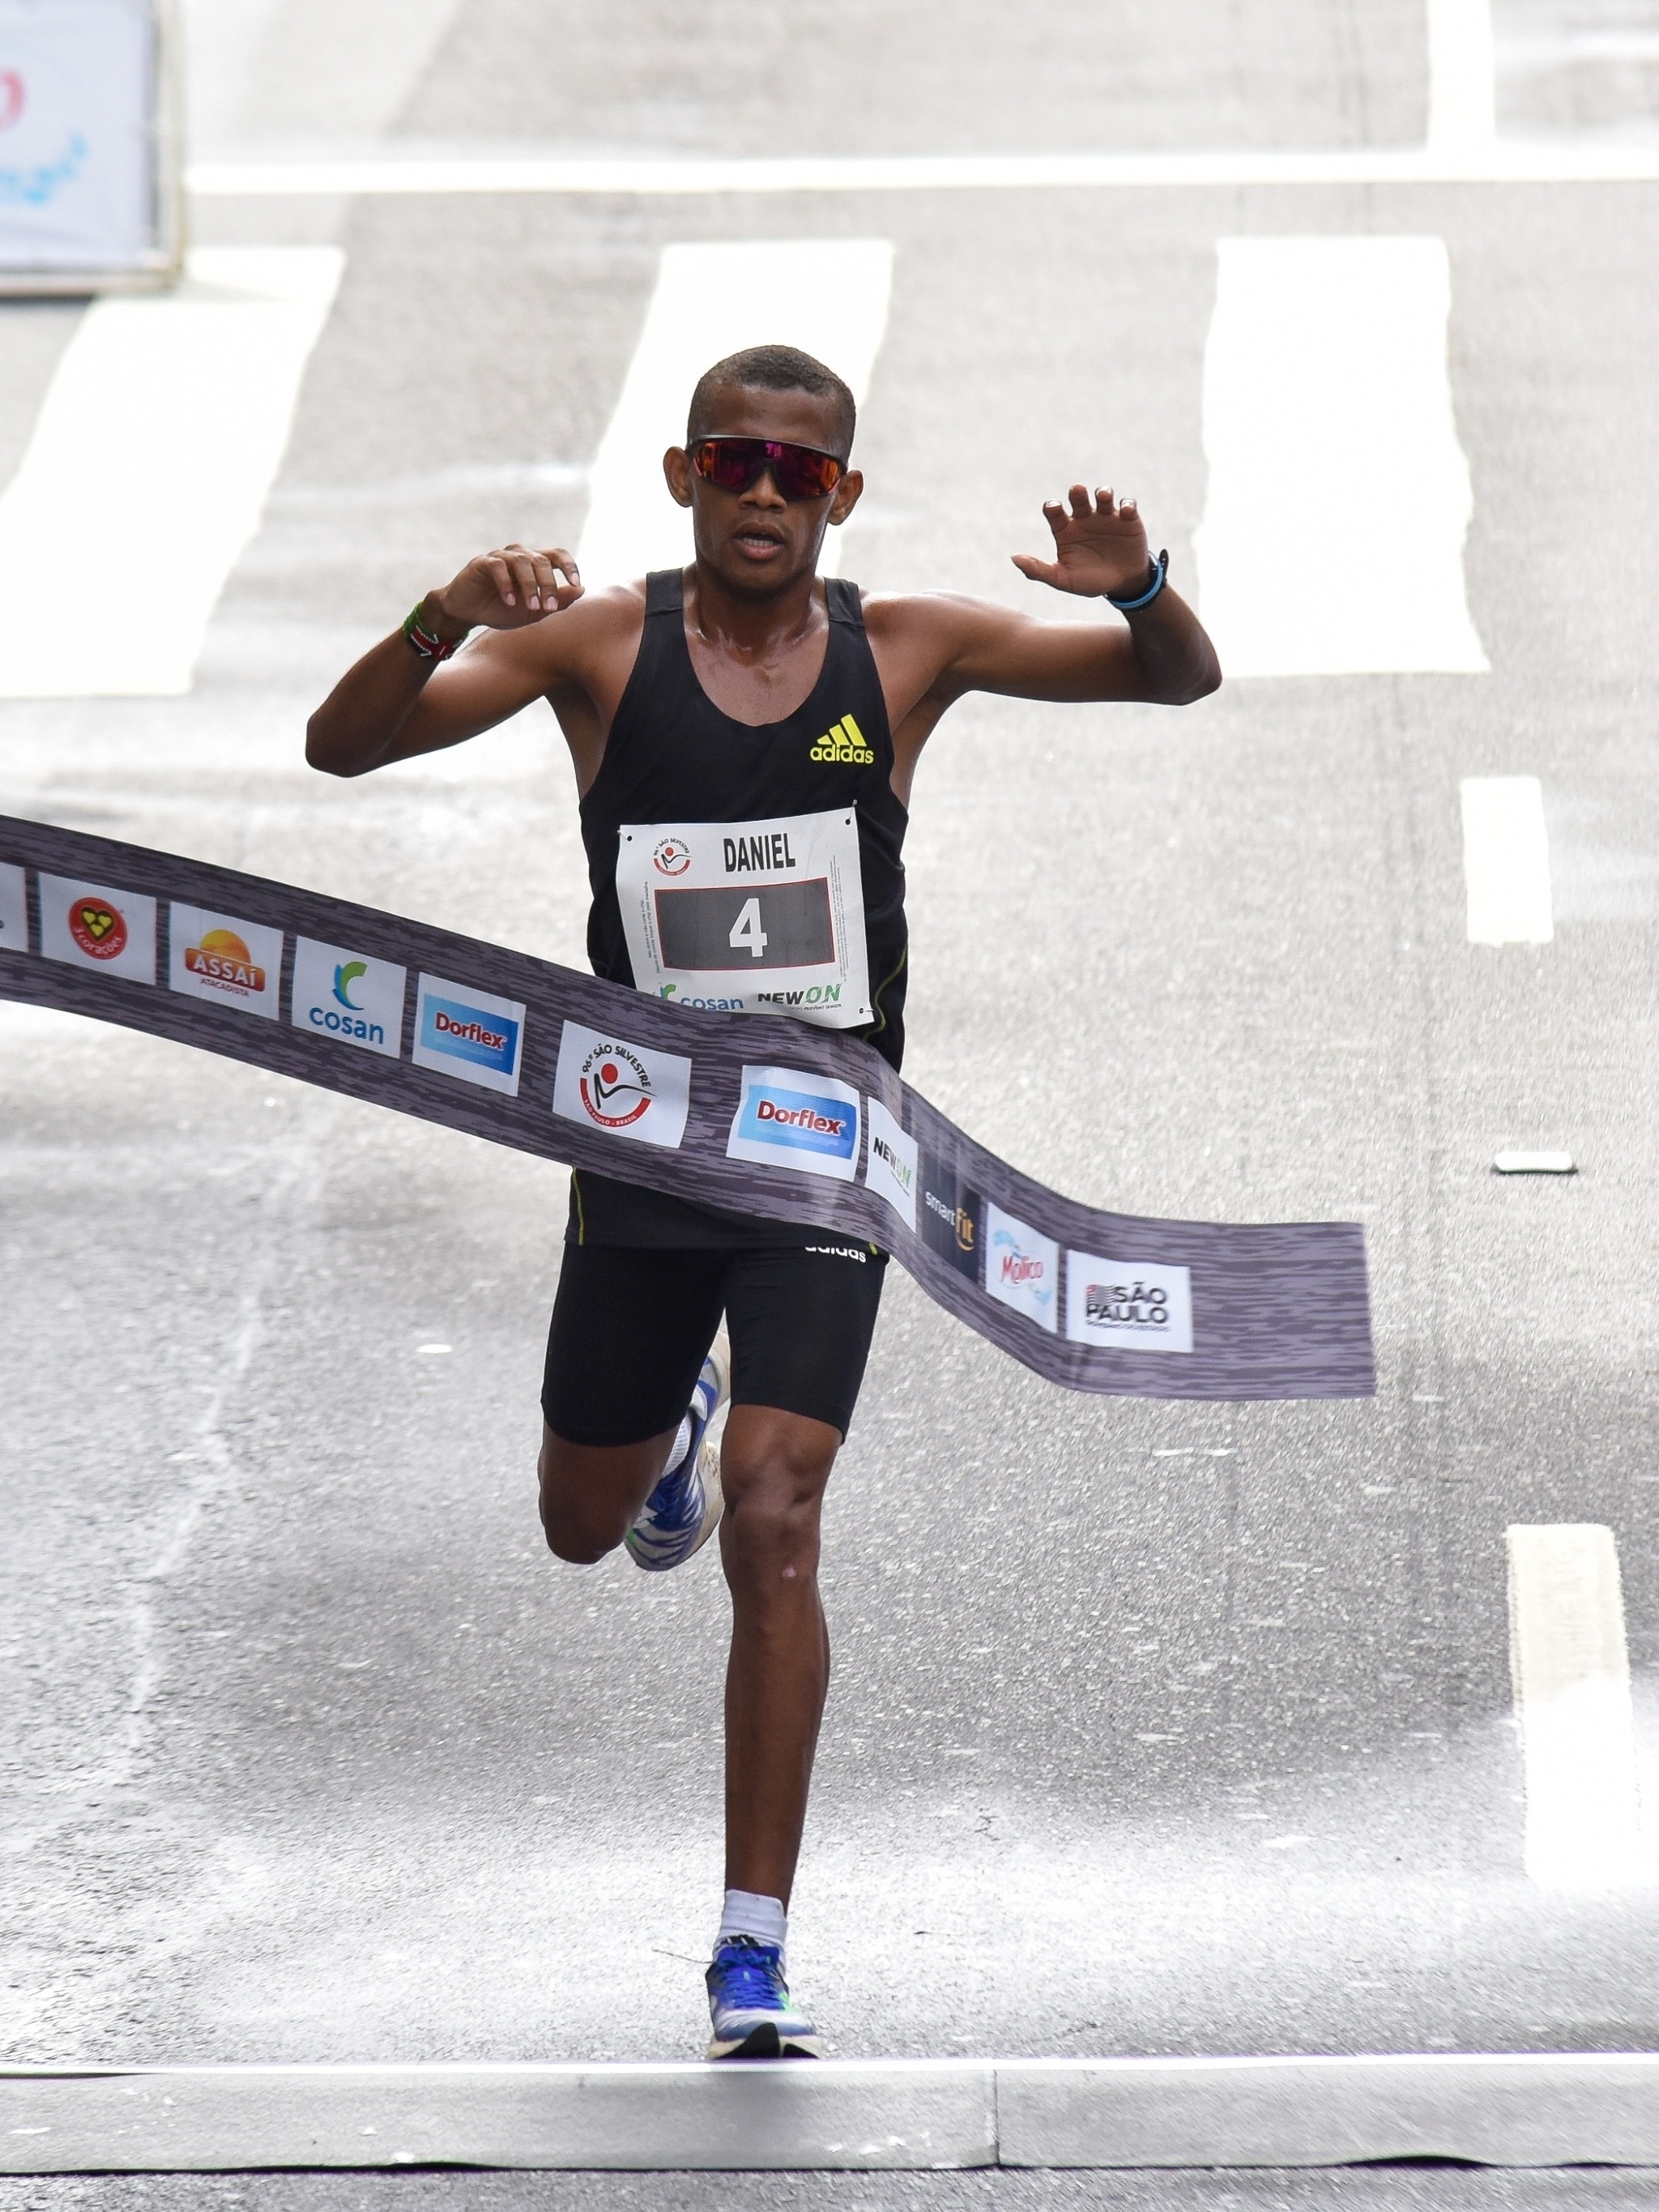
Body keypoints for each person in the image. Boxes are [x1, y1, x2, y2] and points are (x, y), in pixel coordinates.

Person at [305, 343, 1221, 2060]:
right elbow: (341, 748)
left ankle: (750, 1946)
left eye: (801, 473)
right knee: (585, 1527)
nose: (764, 495)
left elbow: (1174, 681)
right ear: (683, 475)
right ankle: (658, 1440)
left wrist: (1141, 588)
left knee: (780, 1514)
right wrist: (442, 609)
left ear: (841, 498)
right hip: (640, 1142)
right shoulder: (595, 648)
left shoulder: (910, 652)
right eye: (736, 462)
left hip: (821, 1147)